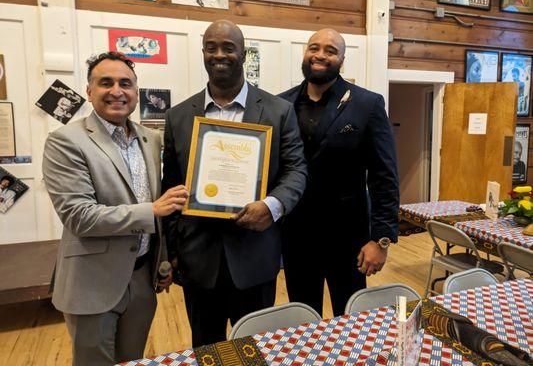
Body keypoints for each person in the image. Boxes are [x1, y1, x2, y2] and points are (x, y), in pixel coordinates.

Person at [163, 20, 307, 346]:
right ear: (203, 53)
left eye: (228, 47)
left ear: (243, 54)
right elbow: (169, 187)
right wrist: (171, 251)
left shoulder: (278, 111)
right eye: (211, 47)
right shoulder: (178, 117)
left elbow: (297, 170)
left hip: (255, 258)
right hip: (198, 259)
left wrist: (271, 206)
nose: (219, 54)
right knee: (206, 348)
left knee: (255, 349)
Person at [42, 51, 189, 365]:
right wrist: (152, 210)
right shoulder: (65, 141)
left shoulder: (150, 139)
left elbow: (156, 206)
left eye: (126, 83)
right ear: (89, 91)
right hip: (92, 282)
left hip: (141, 278)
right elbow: (79, 216)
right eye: (105, 83)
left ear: (136, 92)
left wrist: (161, 262)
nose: (117, 91)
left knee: (132, 359)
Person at [278, 28, 399, 317]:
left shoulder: (367, 104)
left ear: (342, 60)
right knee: (303, 318)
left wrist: (380, 240)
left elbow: (384, 176)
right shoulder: (280, 104)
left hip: (349, 239)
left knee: (350, 318)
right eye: (314, 47)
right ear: (305, 53)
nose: (320, 55)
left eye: (330, 50)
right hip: (296, 237)